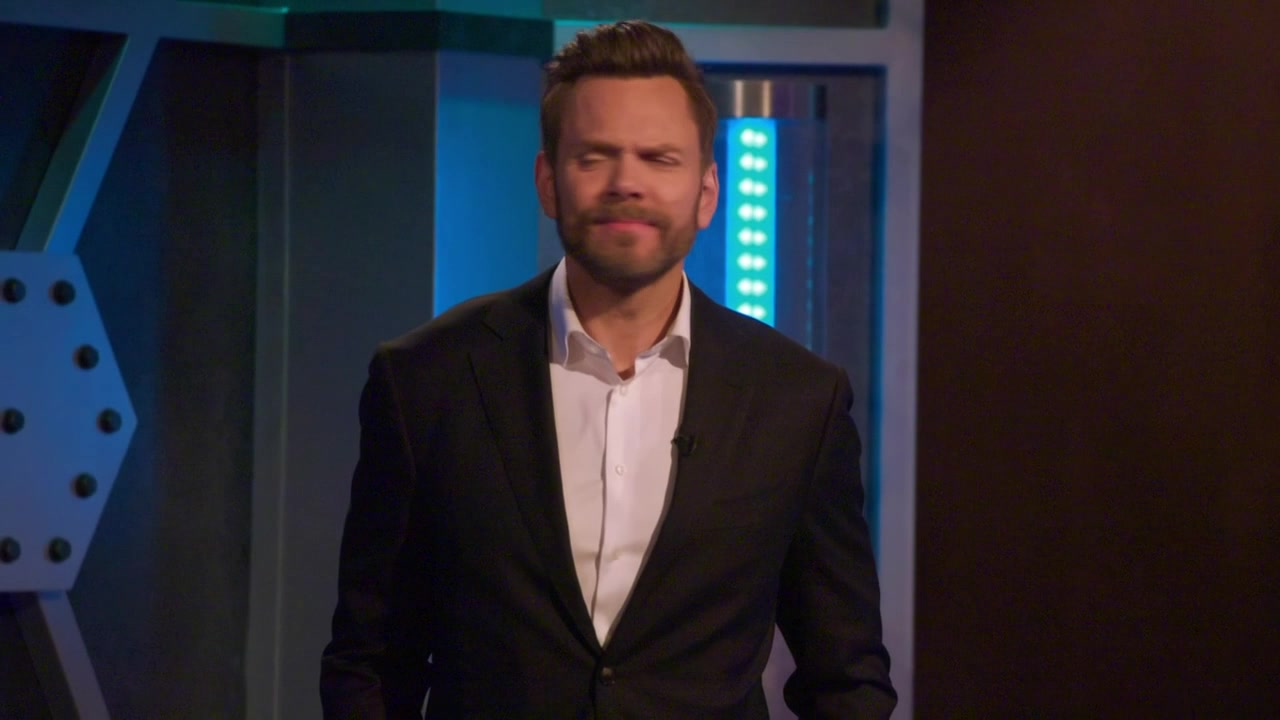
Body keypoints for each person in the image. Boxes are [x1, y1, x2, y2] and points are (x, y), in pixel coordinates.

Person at [320, 19, 896, 720]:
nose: (627, 183)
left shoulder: (799, 401)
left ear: (707, 192)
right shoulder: (425, 380)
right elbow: (372, 663)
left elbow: (846, 678)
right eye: (595, 157)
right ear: (548, 182)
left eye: (659, 158)